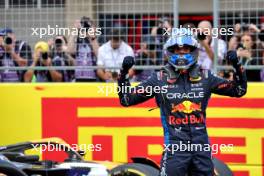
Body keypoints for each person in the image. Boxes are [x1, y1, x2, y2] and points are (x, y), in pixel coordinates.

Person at [117, 29, 247, 176]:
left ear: (193, 51)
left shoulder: (206, 76)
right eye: (178, 50)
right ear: (170, 51)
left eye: (185, 49)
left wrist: (237, 66)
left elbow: (239, 90)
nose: (181, 53)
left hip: (201, 148)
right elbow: (126, 99)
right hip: (175, 149)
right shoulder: (159, 78)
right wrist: (123, 74)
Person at [68, 16, 100, 82]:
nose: (86, 28)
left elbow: (98, 55)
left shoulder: (95, 40)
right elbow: (69, 50)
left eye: (88, 26)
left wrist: (92, 36)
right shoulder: (77, 40)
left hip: (93, 78)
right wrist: (75, 31)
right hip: (78, 77)